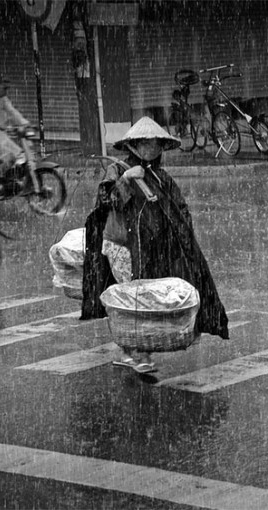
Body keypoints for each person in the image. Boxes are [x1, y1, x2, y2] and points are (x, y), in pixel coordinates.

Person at [81, 116, 229, 373]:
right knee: (135, 294)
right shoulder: (117, 170)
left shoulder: (160, 177)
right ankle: (136, 352)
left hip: (151, 247)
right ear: (136, 145)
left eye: (159, 144)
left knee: (145, 294)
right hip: (122, 245)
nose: (155, 148)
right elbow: (108, 200)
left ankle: (137, 349)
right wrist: (126, 179)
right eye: (150, 143)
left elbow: (179, 210)